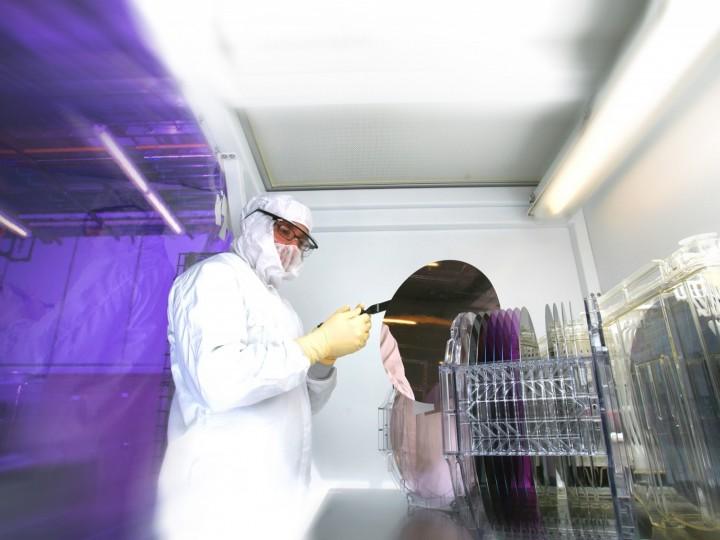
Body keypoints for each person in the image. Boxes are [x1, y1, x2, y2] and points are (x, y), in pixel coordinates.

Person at [155, 194, 371, 539]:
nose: (293, 247)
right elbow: (219, 382)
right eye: (285, 231)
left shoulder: (282, 307)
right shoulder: (215, 278)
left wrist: (324, 359)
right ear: (255, 222)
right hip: (216, 503)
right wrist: (314, 345)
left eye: (302, 241)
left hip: (274, 504)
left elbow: (300, 404)